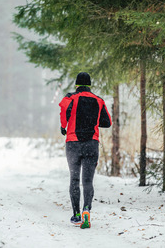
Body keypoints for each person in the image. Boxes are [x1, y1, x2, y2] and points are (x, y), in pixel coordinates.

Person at [59, 72, 112, 229]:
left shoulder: (71, 98)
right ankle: (86, 210)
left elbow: (63, 109)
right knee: (87, 181)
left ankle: (76, 215)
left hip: (73, 144)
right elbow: (107, 122)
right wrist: (93, 121)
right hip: (91, 144)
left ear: (76, 84)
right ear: (89, 84)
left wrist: (63, 126)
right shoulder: (99, 100)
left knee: (74, 180)